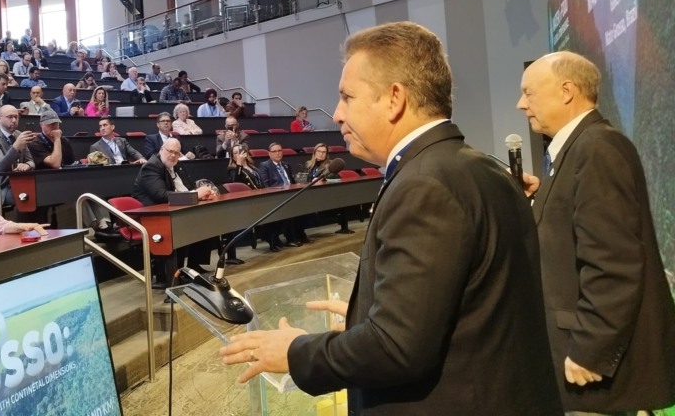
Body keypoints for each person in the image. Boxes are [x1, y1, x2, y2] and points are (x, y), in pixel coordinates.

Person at [220, 21, 562, 415]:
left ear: (394, 98)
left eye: (347, 97)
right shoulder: (477, 166)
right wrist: (362, 316)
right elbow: (466, 309)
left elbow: (397, 348)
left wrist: (297, 351)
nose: (336, 114)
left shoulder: (424, 186)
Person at [517, 51, 675, 413]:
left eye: (529, 93)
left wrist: (591, 350)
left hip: (592, 372)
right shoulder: (578, 150)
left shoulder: (597, 149)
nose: (521, 104)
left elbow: (613, 263)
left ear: (567, 91)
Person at [132, 138, 217, 278]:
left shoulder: (177, 165)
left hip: (172, 210)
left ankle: (193, 265)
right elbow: (162, 196)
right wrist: (195, 195)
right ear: (161, 150)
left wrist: (204, 194)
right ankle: (171, 272)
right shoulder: (151, 167)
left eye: (176, 153)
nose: (172, 155)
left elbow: (189, 187)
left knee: (204, 217)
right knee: (186, 223)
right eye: (169, 151)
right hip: (153, 215)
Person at [0, 105, 37, 207]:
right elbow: (2, 166)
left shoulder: (19, 135)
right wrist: (16, 146)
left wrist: (27, 165)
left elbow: (31, 161)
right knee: (30, 197)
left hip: (17, 183)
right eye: (10, 117)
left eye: (16, 117)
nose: (14, 120)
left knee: (40, 193)